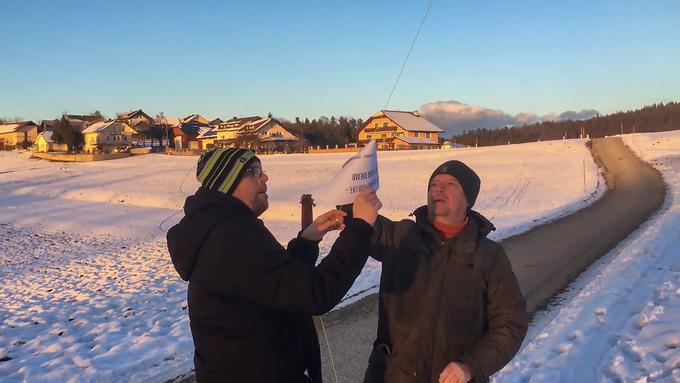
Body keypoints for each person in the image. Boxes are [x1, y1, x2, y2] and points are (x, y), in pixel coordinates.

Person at [167, 148, 382, 382]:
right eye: (253, 172)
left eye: (261, 170)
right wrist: (360, 227)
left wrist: (307, 239)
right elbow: (315, 292)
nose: (264, 177)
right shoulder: (232, 237)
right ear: (227, 183)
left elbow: (276, 283)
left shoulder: (222, 228)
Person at [363, 160, 528, 383]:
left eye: (451, 184)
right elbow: (363, 224)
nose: (438, 189)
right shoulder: (400, 236)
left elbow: (510, 324)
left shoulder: (489, 256)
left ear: (468, 199)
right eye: (433, 184)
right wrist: (351, 203)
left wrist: (471, 366)